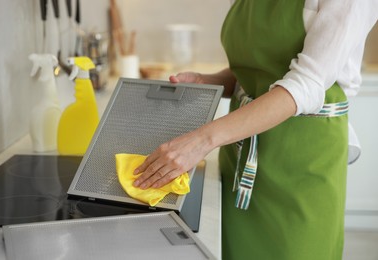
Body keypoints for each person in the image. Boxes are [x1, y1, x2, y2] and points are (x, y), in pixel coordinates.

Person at [133, 0, 378, 259]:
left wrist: (201, 140)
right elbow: (259, 68)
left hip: (302, 163)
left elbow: (307, 83)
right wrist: (210, 81)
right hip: (241, 157)